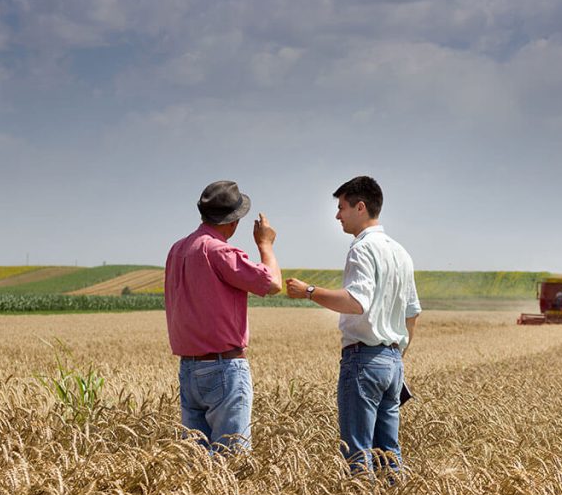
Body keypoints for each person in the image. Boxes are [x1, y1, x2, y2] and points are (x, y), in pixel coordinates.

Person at [285, 176, 421, 477]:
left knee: (357, 454)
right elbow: (412, 314)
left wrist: (309, 291)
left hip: (363, 360)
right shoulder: (401, 253)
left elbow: (356, 302)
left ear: (360, 207)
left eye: (341, 207)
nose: (337, 215)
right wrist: (397, 356)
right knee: (389, 454)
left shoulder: (361, 249)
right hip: (393, 362)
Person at [164, 180, 282, 453]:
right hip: (224, 368)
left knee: (197, 464)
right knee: (232, 461)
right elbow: (272, 283)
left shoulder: (177, 249)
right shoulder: (220, 251)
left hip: (188, 369)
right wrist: (266, 245)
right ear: (234, 221)